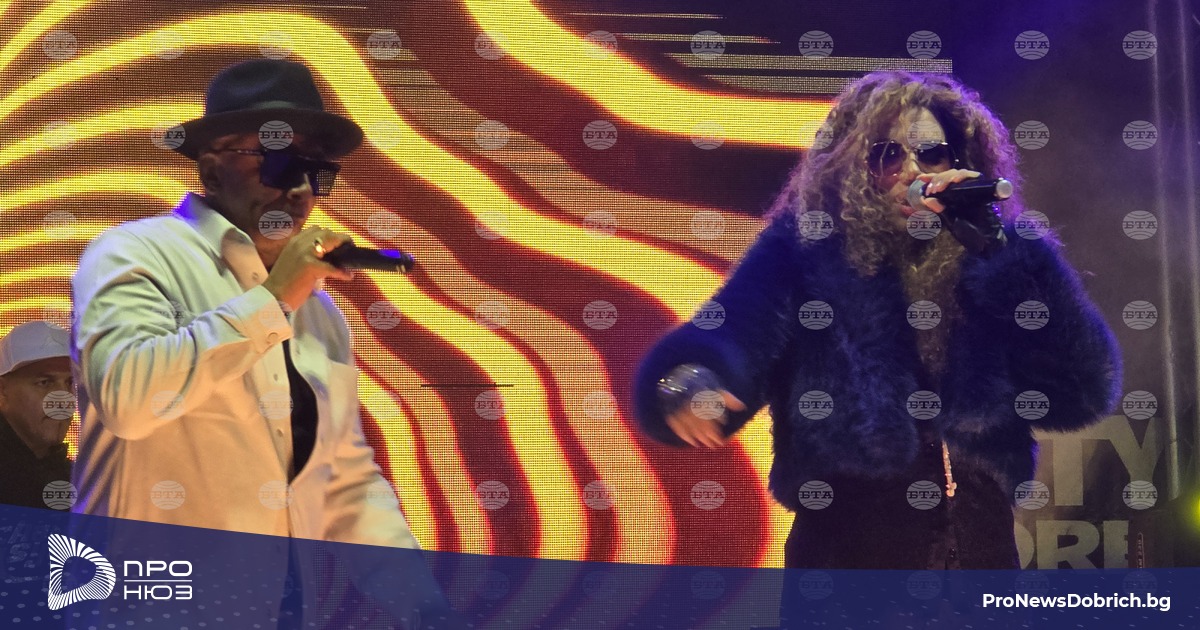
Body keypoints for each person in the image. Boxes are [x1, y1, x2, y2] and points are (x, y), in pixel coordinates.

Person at [633, 71, 1121, 569]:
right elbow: (730, 335)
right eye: (887, 155)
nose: (912, 171)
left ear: (958, 162)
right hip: (848, 561)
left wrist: (1005, 258)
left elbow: (1080, 391)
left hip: (980, 558)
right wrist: (691, 379)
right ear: (851, 166)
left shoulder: (993, 259)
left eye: (931, 154)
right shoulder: (804, 253)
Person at [71, 59, 419, 543]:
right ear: (212, 170)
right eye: (280, 162)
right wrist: (274, 301)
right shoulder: (133, 252)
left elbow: (346, 481)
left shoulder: (320, 314)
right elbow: (127, 402)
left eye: (316, 172)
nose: (300, 190)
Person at [0, 321, 74, 509]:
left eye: (69, 382)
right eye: (44, 382)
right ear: (2, 390)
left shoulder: (81, 482)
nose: (63, 399)